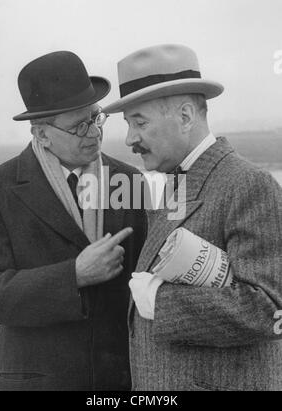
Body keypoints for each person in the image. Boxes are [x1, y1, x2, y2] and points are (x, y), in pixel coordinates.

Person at [104, 44, 282, 391]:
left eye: (139, 122)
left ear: (185, 117)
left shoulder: (249, 184)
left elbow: (267, 308)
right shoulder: (179, 184)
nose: (130, 139)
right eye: (128, 124)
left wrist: (160, 302)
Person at [0, 51, 147, 391]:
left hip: (118, 381)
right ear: (41, 134)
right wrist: (72, 276)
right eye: (78, 126)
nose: (93, 133)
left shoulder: (130, 181)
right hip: (35, 381)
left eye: (96, 118)